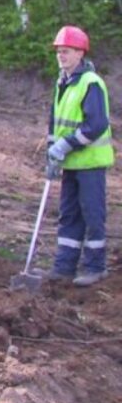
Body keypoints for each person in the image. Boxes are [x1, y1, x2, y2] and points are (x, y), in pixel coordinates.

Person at [44, 25, 114, 287]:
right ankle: (64, 267)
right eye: (59, 51)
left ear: (80, 53)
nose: (61, 56)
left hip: (90, 163)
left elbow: (95, 125)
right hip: (71, 163)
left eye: (66, 51)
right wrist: (52, 156)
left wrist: (66, 145)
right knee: (69, 214)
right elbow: (56, 125)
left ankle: (96, 267)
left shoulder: (90, 83)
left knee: (92, 214)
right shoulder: (62, 82)